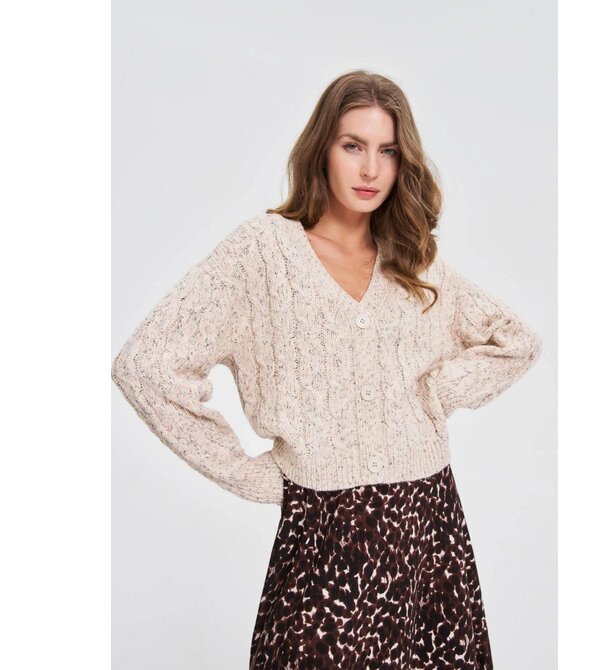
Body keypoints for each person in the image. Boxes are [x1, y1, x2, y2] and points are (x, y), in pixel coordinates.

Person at [111, 69, 542, 669]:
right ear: (322, 149)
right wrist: (247, 473)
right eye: (353, 146)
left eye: (388, 151)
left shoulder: (413, 261)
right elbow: (146, 365)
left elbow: (515, 341)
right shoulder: (262, 253)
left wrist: (436, 391)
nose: (370, 169)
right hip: (324, 536)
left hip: (427, 528)